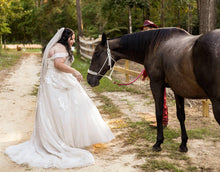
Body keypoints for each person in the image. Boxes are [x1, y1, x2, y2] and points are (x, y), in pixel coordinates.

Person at [5, 28, 115, 168]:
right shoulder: (61, 47)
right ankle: (65, 141)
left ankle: (59, 138)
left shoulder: (54, 46)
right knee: (67, 110)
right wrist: (75, 71)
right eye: (72, 38)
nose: (73, 41)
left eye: (74, 38)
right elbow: (58, 64)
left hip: (50, 82)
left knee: (54, 112)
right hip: (58, 82)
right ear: (65, 38)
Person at [140, 20, 168, 127]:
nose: (145, 32)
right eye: (144, 30)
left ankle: (163, 121)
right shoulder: (150, 43)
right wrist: (145, 71)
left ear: (152, 29)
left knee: (162, 97)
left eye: (147, 30)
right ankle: (161, 120)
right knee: (159, 97)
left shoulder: (157, 43)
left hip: (162, 73)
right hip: (157, 72)